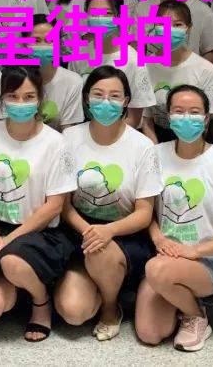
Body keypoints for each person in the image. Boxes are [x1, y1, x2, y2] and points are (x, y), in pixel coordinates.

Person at [136, 85, 213, 352]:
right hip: (165, 255)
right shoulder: (155, 155)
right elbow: (144, 209)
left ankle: (196, 315)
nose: (186, 118)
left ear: (206, 119)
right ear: (168, 117)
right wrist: (158, 238)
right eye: (179, 111)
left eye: (194, 112)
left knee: (157, 271)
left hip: (208, 259)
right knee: (150, 333)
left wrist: (195, 251)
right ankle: (178, 294)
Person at [55, 66, 162, 340]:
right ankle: (101, 286)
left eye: (114, 96)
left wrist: (109, 231)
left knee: (101, 252)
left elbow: (144, 213)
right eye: (98, 94)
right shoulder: (69, 138)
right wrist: (89, 231)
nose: (106, 102)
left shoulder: (143, 147)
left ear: (126, 101)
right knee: (73, 312)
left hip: (125, 231)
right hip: (79, 229)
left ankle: (111, 307)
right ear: (86, 98)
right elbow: (63, 204)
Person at [0, 66, 76, 343]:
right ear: (2, 98)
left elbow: (54, 205)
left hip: (40, 231)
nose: (21, 103)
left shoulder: (56, 143)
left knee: (12, 260)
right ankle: (20, 286)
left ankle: (41, 301)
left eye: (29, 96)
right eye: (13, 96)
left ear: (40, 98)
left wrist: (8, 241)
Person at [142, 0, 213, 142]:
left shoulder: (206, 70)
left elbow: (209, 122)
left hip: (195, 140)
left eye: (177, 25)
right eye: (162, 24)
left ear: (188, 28)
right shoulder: (145, 67)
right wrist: (156, 151)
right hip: (157, 138)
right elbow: (146, 119)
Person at [69, 0, 156, 129]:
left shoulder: (133, 61)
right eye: (94, 14)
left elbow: (134, 119)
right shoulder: (79, 53)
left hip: (120, 133)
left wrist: (103, 133)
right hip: (85, 130)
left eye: (107, 13)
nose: (100, 19)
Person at [29, 13, 85, 130]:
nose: (43, 46)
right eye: (36, 40)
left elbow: (69, 131)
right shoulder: (15, 79)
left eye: (50, 40)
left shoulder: (73, 82)